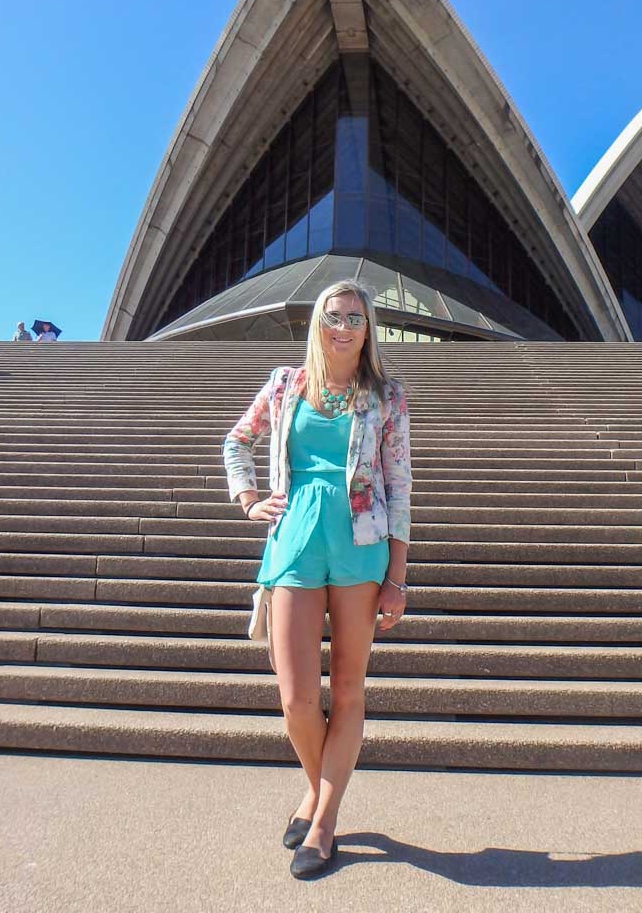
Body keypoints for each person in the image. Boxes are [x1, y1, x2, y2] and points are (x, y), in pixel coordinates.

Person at [223, 281, 411, 880]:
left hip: (361, 548)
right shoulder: (285, 384)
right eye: (334, 316)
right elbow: (237, 439)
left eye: (356, 317)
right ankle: (317, 789)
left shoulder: (386, 396)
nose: (344, 326)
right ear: (319, 322)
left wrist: (398, 578)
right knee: (296, 697)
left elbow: (399, 487)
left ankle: (324, 820)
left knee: (349, 688)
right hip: (295, 541)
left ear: (369, 327)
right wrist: (249, 498)